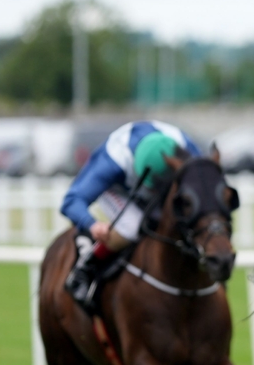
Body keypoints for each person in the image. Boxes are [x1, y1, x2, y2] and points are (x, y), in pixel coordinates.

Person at [61, 120, 201, 307]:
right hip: (119, 188)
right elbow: (71, 200)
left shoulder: (189, 149)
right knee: (132, 225)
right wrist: (92, 224)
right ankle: (86, 267)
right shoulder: (112, 161)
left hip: (162, 181)